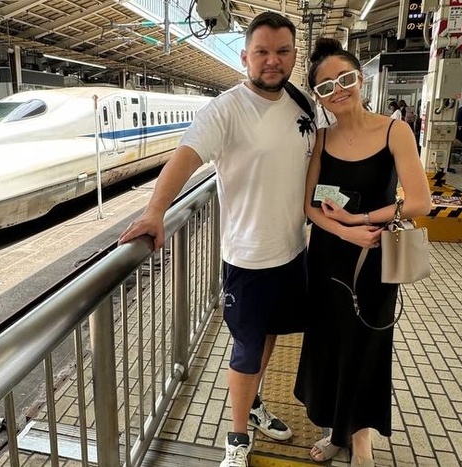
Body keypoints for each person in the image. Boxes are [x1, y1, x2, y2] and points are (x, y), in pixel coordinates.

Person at [118, 11, 316, 467]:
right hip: (247, 257)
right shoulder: (225, 109)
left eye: (282, 51)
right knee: (246, 348)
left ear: (294, 56)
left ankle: (254, 402)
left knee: (270, 335)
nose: (272, 60)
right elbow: (185, 158)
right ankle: (238, 439)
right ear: (245, 57)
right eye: (262, 52)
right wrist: (155, 212)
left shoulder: (301, 104)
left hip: (292, 251)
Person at [293, 37, 430, 467]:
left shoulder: (394, 130)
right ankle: (336, 432)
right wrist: (344, 230)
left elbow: (421, 202)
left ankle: (362, 438)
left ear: (361, 79)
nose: (338, 90)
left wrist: (358, 219)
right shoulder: (320, 138)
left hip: (374, 260)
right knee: (330, 344)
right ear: (318, 97)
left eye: (345, 79)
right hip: (328, 259)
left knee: (366, 346)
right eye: (326, 87)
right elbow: (309, 207)